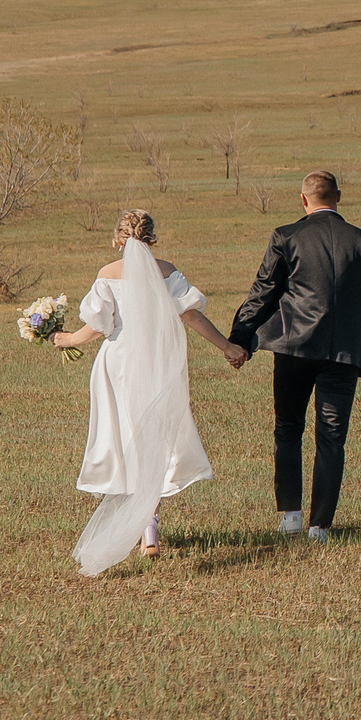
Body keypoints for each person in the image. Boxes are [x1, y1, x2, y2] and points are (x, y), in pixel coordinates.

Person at [50, 209, 243, 575]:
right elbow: (190, 315)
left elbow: (98, 325)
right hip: (157, 362)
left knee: (125, 441)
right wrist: (227, 346)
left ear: (118, 239)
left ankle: (138, 522)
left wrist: (67, 339)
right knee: (154, 441)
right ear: (151, 238)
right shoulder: (166, 272)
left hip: (118, 366)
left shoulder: (108, 274)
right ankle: (149, 528)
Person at [228, 170, 361, 541]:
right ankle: (320, 527)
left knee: (288, 429)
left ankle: (290, 517)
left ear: (303, 200)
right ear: (339, 196)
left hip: (293, 349)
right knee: (332, 438)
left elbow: (263, 292)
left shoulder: (286, 236)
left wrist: (239, 338)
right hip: (345, 353)